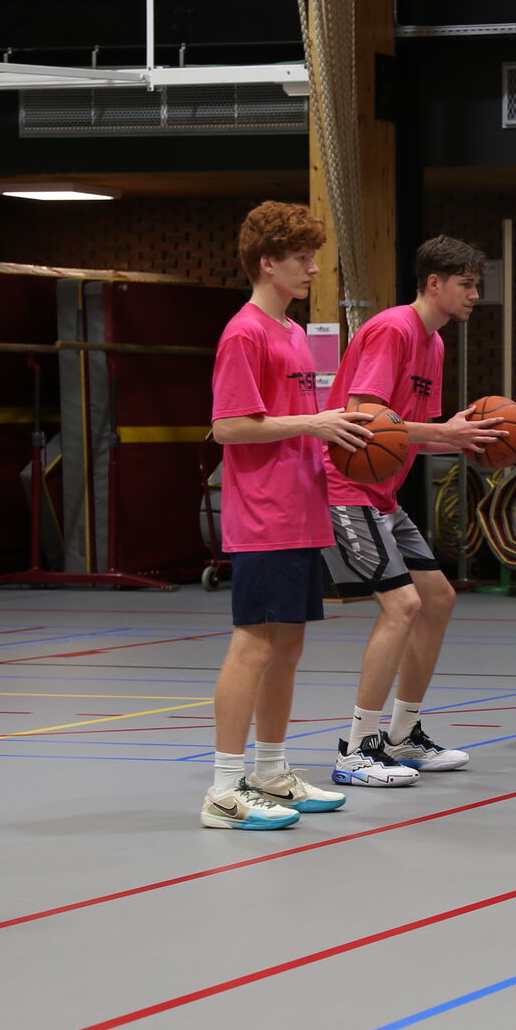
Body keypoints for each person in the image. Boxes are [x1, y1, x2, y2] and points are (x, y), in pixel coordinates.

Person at [202, 201, 372, 829]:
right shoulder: (243, 332)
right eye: (302, 259)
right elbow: (228, 427)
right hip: (265, 513)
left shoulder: (295, 333)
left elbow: (314, 424)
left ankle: (270, 771)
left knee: (290, 644)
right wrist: (313, 421)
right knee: (253, 644)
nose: (313, 269)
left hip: (304, 510)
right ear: (267, 263)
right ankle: (223, 788)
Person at [323, 235, 506, 787]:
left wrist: (461, 440)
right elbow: (366, 421)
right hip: (344, 488)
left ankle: (403, 734)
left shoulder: (435, 344)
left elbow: (408, 438)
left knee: (438, 598)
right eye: (466, 284)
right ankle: (356, 748)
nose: (476, 295)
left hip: (384, 494)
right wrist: (445, 431)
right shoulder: (393, 328)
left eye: (478, 284)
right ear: (434, 283)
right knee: (401, 606)